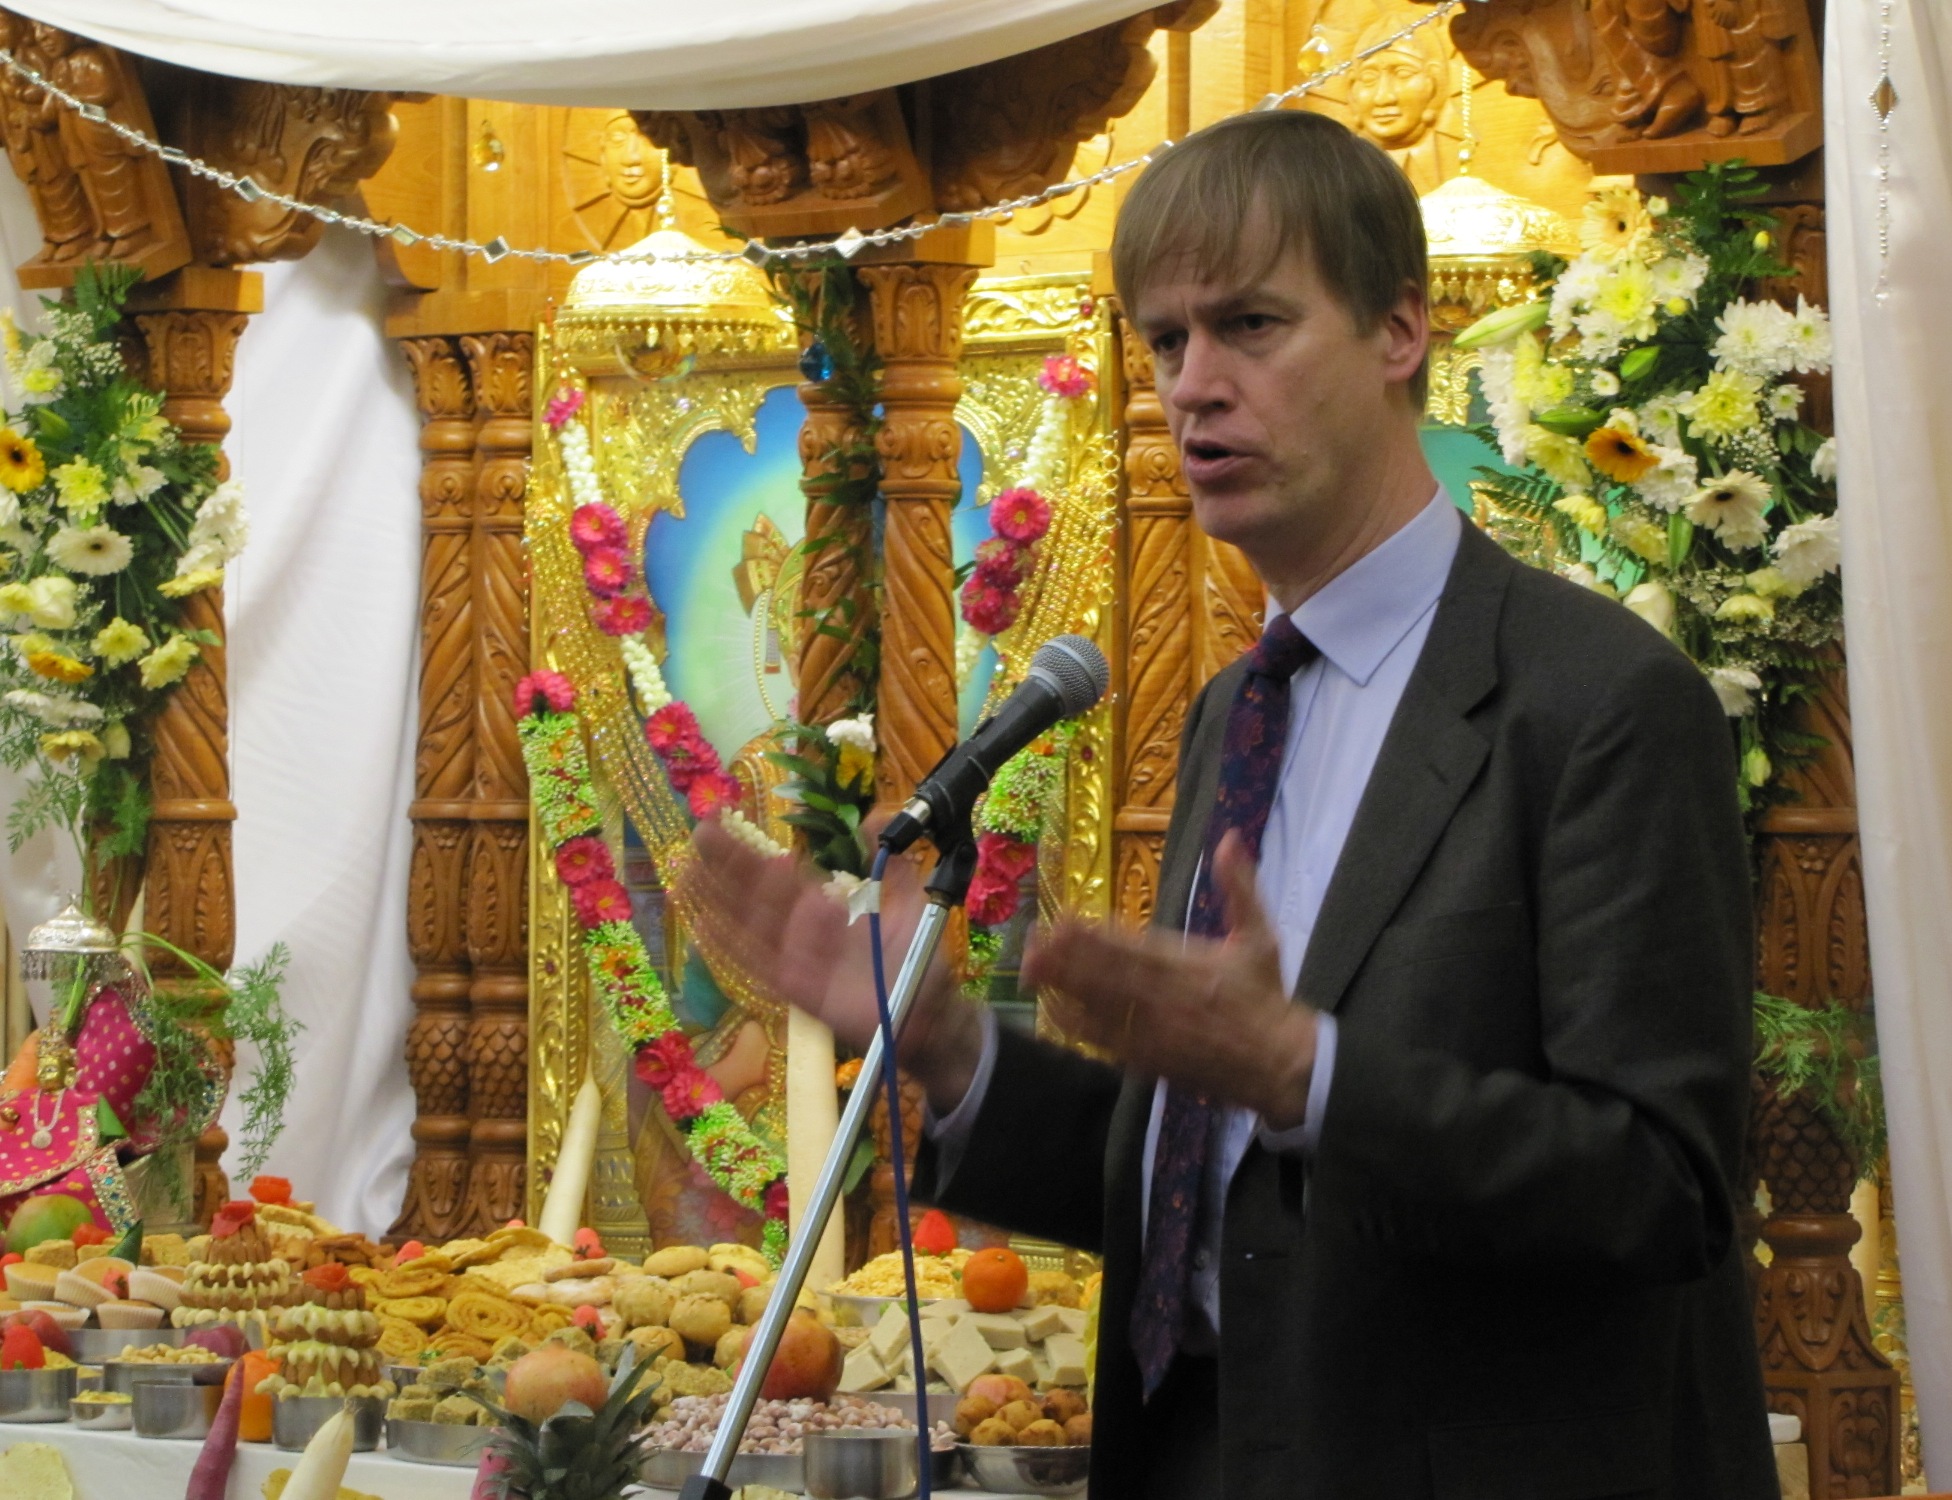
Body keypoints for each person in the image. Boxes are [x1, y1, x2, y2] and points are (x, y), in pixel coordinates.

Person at [685, 110, 1777, 1500]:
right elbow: (1201, 1187)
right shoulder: (1236, 713)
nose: (1193, 385)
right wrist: (952, 1049)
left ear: (1400, 331)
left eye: (1251, 326)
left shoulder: (1599, 703)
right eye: (1163, 340)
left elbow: (1661, 1189)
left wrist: (1306, 1073)